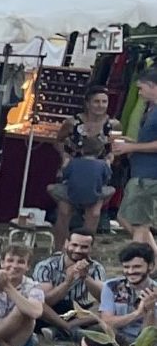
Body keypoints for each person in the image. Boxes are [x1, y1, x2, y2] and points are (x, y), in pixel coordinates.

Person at [48, 88, 117, 245]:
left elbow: (115, 147)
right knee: (64, 211)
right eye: (96, 101)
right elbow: (58, 141)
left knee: (94, 213)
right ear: (87, 103)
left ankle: (84, 248)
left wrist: (110, 159)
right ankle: (59, 250)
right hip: (72, 171)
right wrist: (64, 156)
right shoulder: (72, 122)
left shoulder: (113, 125)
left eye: (104, 102)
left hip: (98, 173)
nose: (100, 105)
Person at [29, 229, 107, 346]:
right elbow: (46, 300)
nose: (78, 250)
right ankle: (68, 329)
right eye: (74, 245)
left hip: (79, 311)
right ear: (66, 244)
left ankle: (60, 330)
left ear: (91, 248)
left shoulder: (96, 268)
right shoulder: (46, 266)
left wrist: (86, 277)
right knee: (36, 302)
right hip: (51, 311)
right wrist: (67, 282)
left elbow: (103, 298)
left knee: (108, 308)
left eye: (84, 247)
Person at [113, 69, 157, 247]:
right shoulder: (151, 109)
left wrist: (131, 147)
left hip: (148, 174)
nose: (139, 93)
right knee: (132, 219)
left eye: (141, 88)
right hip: (142, 172)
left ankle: (139, 256)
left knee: (136, 221)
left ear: (153, 86)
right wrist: (131, 142)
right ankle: (151, 256)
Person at [93, 240, 157, 346]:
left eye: (137, 267)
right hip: (119, 339)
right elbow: (107, 322)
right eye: (126, 267)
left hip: (148, 342)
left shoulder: (155, 290)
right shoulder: (111, 286)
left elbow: (150, 335)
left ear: (151, 266)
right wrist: (137, 314)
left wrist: (150, 311)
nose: (131, 272)